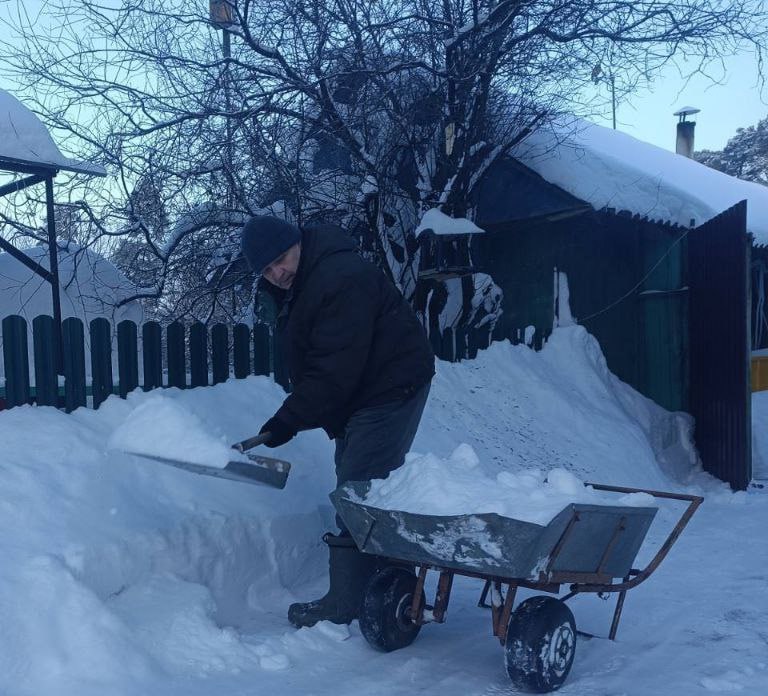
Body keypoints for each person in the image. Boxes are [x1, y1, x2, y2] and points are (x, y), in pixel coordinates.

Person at [240, 215, 434, 628]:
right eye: (268, 270)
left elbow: (332, 369)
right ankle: (385, 582)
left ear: (297, 243)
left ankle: (349, 601)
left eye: (282, 259)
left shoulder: (339, 277)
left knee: (358, 487)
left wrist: (287, 420)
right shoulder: (306, 281)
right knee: (359, 483)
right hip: (362, 389)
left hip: (391, 384)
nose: (279, 273)